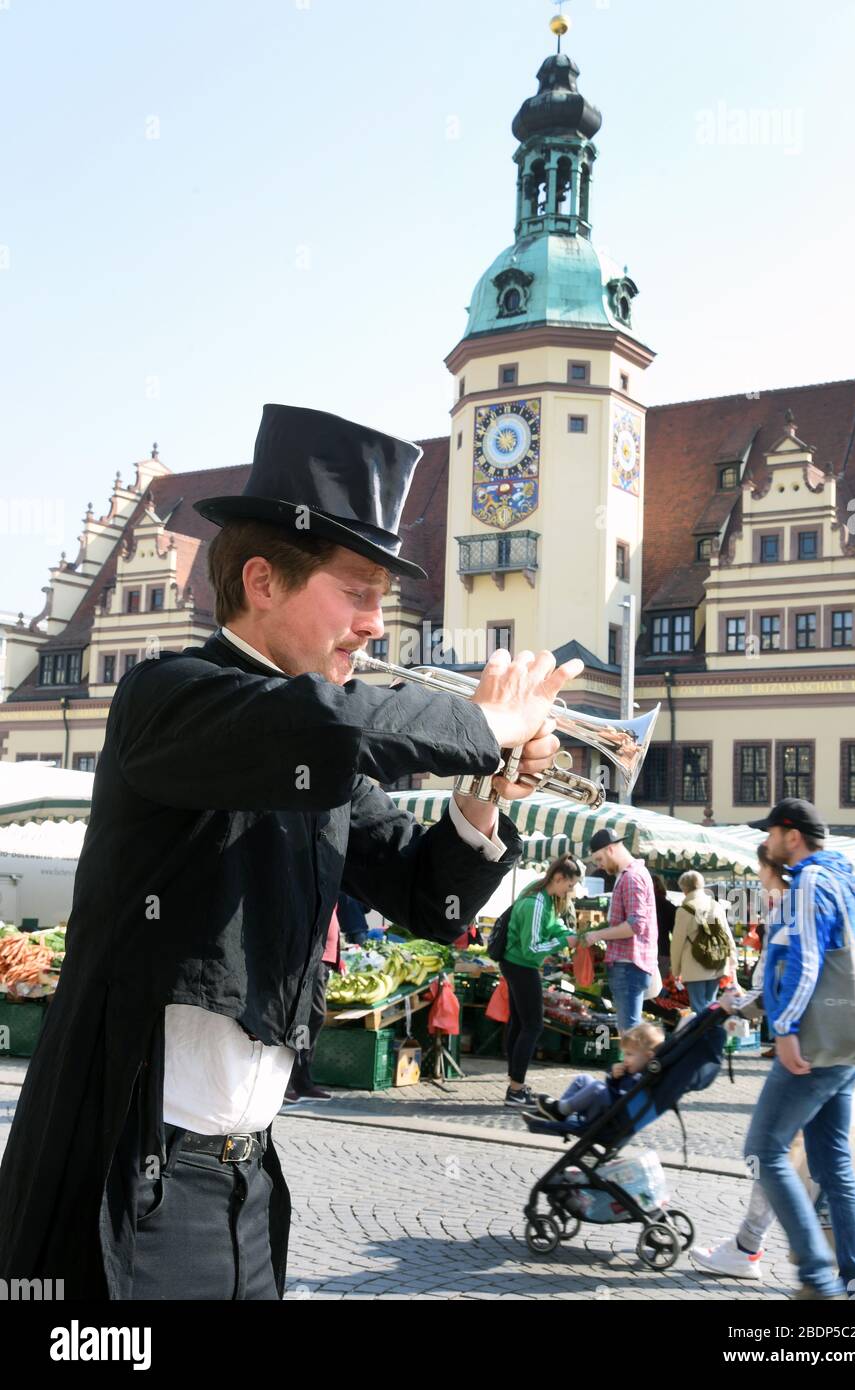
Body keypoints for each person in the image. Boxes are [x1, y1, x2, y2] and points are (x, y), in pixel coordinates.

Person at [0, 404, 584, 1301]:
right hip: (125, 1181)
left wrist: (484, 793)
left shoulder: (327, 747)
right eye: (357, 594)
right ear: (264, 580)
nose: (376, 626)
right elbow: (307, 727)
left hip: (247, 1184)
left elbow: (434, 897)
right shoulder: (170, 696)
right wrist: (482, 722)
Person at [734, 797, 855, 1300]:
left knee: (764, 1149)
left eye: (771, 833)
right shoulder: (844, 878)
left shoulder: (809, 881)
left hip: (815, 1039)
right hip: (848, 1038)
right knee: (832, 1159)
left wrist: (787, 1027)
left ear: (790, 835)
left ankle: (818, 1276)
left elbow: (806, 960)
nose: (768, 842)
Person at [690, 846, 790, 1280]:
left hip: (806, 1058)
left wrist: (737, 1008)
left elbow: (780, 990)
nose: (760, 883)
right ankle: (751, 1247)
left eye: (763, 872)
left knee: (768, 1151)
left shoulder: (793, 911)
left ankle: (839, 1272)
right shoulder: (793, 908)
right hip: (816, 1055)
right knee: (814, 1162)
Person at [500, 854, 613, 1107]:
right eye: (570, 886)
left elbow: (552, 927)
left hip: (517, 962)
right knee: (533, 1025)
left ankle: (514, 1082)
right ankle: (516, 1090)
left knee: (520, 1023)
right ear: (559, 878)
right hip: (521, 964)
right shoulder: (537, 903)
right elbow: (532, 947)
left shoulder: (545, 898)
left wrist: (571, 935)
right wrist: (565, 941)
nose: (570, 891)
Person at [589, 828, 659, 1032]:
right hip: (633, 963)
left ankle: (637, 1065)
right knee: (631, 1029)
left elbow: (636, 924)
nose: (599, 865)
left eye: (599, 859)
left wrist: (597, 935)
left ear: (610, 849)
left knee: (629, 1032)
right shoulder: (634, 873)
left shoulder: (631, 877)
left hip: (629, 964)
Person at [534, 1022, 664, 1126]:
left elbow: (620, 1095)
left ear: (648, 1057)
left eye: (630, 1054)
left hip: (610, 1116)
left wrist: (615, 1079)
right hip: (607, 1106)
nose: (625, 1059)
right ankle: (561, 1112)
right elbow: (613, 1087)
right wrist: (613, 1075)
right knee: (583, 1078)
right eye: (625, 1054)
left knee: (597, 1087)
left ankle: (561, 1109)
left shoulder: (642, 1078)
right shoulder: (632, 1071)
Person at [284, 904, 342, 1103]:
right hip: (313, 956)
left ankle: (301, 1081)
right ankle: (290, 1081)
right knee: (308, 1018)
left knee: (311, 1019)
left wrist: (337, 957)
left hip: (323, 958)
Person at [670, 870, 738, 1013]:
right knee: (711, 1003)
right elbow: (726, 934)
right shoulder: (715, 905)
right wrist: (732, 959)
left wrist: (676, 970)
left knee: (698, 1006)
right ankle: (711, 1031)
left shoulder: (684, 911)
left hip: (694, 966)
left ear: (684, 888)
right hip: (716, 961)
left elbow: (677, 943)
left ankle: (704, 1034)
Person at [651, 874, 676, 983]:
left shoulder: (642, 905)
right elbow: (675, 932)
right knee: (660, 984)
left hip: (644, 951)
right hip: (663, 950)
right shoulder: (669, 906)